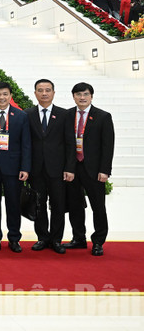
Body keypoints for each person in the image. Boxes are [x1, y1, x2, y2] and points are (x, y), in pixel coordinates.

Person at [0, 81, 31, 253]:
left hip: (14, 168)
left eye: (5, 94)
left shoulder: (21, 116)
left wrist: (25, 167)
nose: (2, 97)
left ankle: (14, 238)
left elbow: (26, 144)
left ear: (10, 96)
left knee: (13, 204)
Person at [25, 79, 75, 254]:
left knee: (58, 205)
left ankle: (56, 239)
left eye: (48, 90)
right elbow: (25, 143)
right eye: (40, 90)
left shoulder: (64, 114)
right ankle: (42, 238)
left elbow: (70, 143)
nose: (44, 93)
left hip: (58, 169)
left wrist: (70, 168)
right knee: (38, 204)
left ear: (53, 93)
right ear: (35, 93)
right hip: (36, 169)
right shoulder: (27, 114)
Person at [65, 83, 115, 257]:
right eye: (78, 94)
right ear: (73, 96)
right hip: (73, 168)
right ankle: (78, 238)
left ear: (91, 96)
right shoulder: (67, 115)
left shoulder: (103, 117)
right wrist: (67, 168)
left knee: (98, 206)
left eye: (86, 94)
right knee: (75, 205)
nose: (82, 97)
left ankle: (98, 241)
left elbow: (108, 146)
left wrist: (105, 170)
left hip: (94, 170)